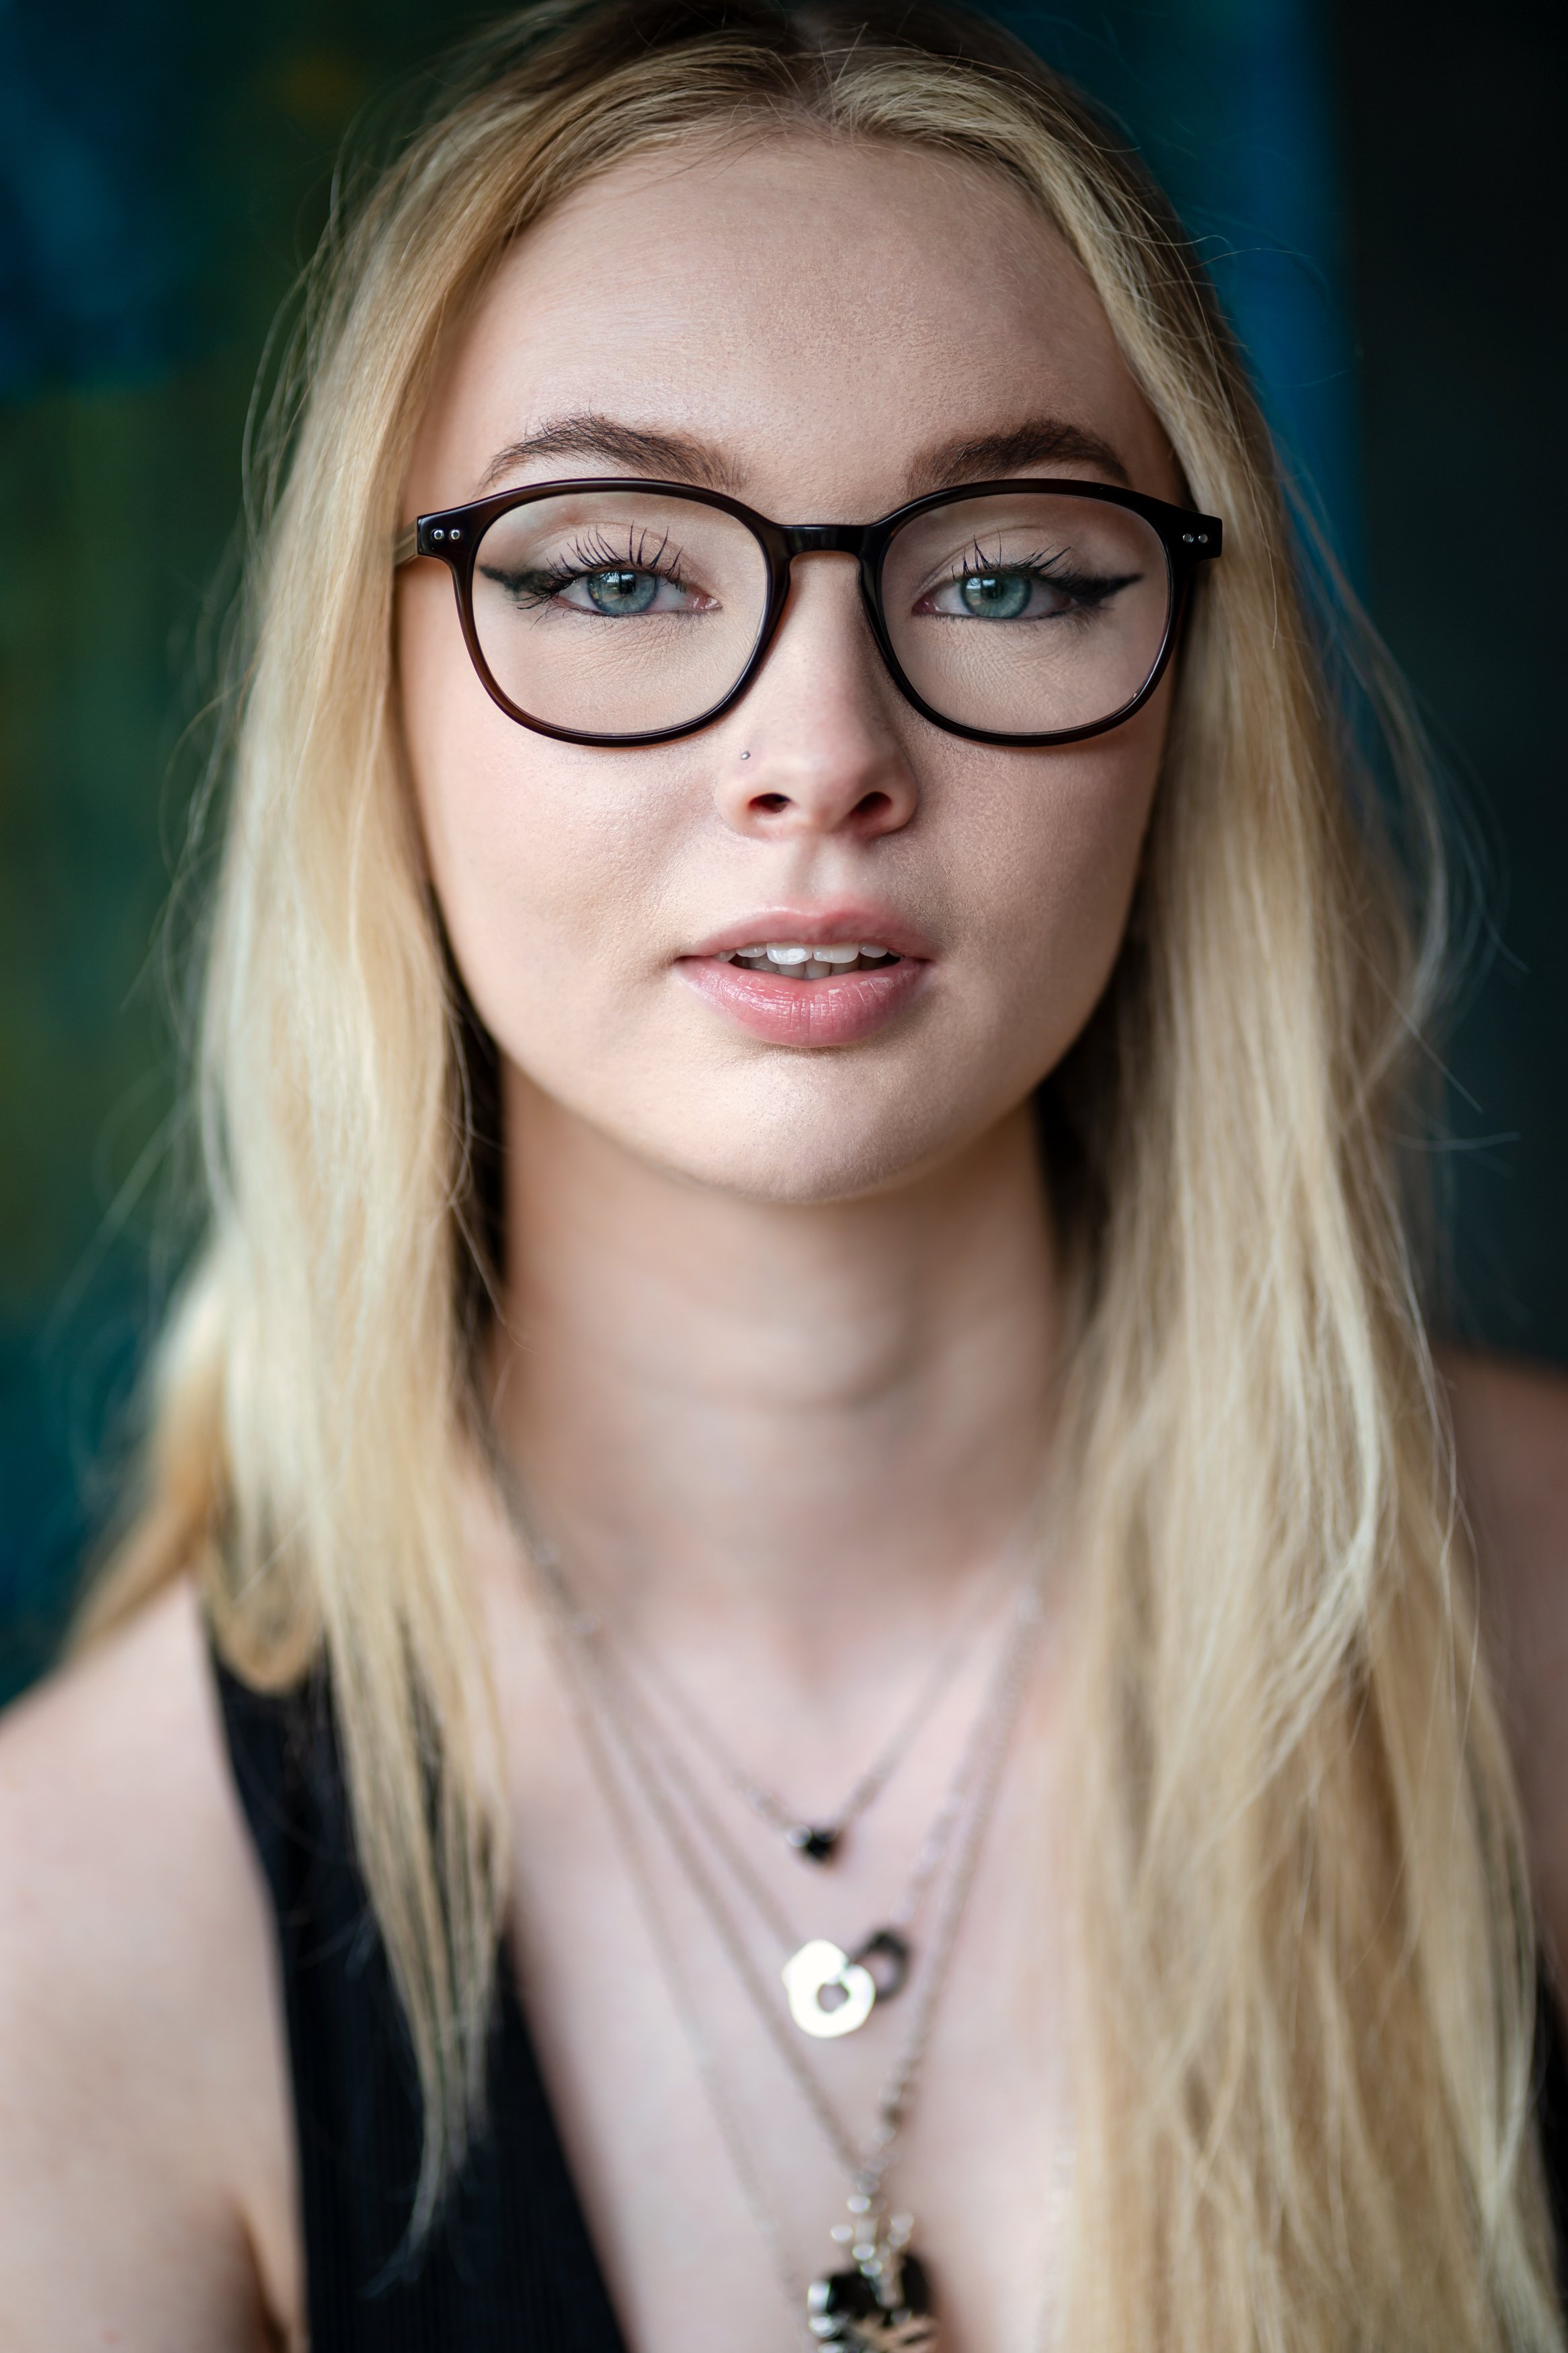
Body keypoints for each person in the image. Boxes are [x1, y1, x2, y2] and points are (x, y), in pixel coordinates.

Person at [1, 1, 1565, 2346]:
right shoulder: (67, 1941)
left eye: (1012, 575)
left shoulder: (1545, 1633)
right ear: (379, 683)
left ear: (1186, 693)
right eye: (618, 573)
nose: (821, 751)